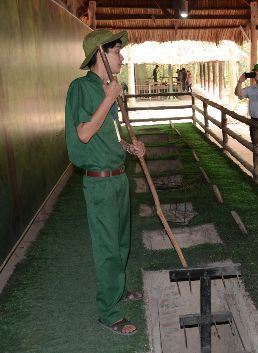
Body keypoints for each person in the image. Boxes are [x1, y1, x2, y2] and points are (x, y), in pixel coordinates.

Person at [65, 29, 146, 335]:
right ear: (101, 55)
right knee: (107, 247)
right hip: (99, 183)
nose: (122, 57)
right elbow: (84, 133)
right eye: (116, 52)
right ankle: (109, 312)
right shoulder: (81, 88)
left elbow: (106, 135)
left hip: (118, 178)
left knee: (121, 242)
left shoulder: (107, 88)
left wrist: (129, 147)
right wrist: (110, 98)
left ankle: (118, 289)